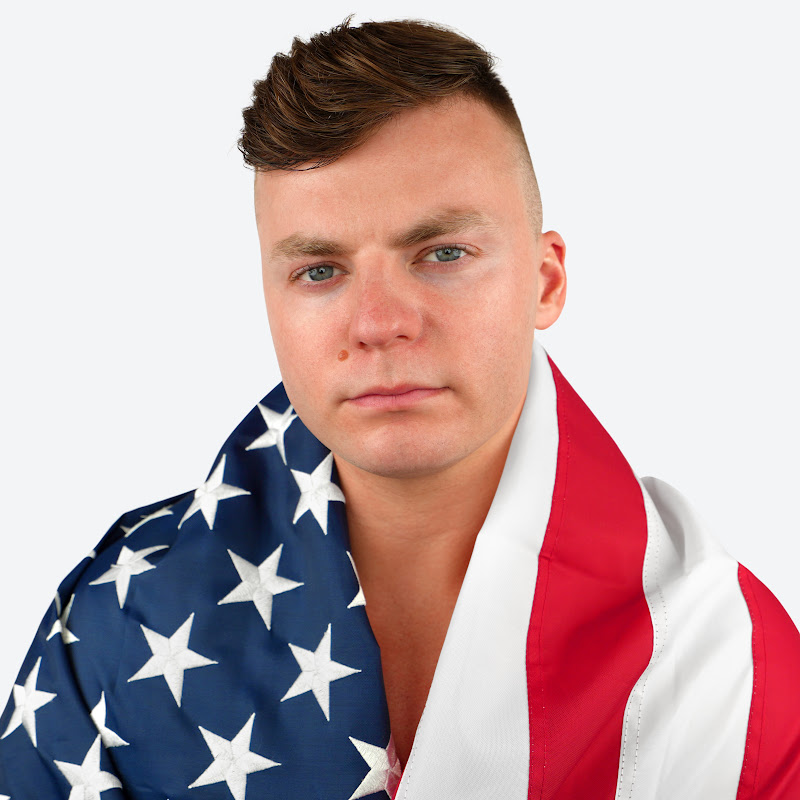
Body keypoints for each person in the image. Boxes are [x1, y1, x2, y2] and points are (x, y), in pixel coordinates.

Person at [1, 15, 798, 800]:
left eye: (443, 254)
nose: (379, 323)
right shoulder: (116, 617)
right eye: (319, 271)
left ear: (546, 282)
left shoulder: (730, 664)